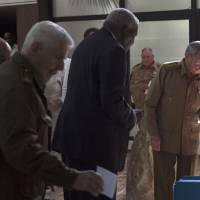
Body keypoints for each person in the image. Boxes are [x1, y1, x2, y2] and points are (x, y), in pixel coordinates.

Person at [0, 21, 104, 200]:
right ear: (36, 47)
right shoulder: (18, 87)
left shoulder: (18, 77)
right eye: (57, 57)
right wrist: (73, 178)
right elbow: (22, 148)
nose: (61, 67)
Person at [53, 8, 140, 200]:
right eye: (133, 35)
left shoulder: (85, 45)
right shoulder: (114, 50)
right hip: (98, 144)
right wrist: (131, 116)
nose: (132, 42)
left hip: (73, 140)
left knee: (75, 194)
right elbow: (112, 101)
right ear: (124, 30)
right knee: (101, 195)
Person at [144, 41, 200, 200]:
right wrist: (154, 135)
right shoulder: (167, 71)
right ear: (188, 57)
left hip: (190, 139)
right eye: (198, 61)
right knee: (163, 185)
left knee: (187, 184)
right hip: (164, 137)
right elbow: (150, 105)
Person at [127, 48, 160, 200]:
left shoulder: (160, 69)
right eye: (143, 56)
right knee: (142, 146)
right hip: (140, 112)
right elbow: (128, 88)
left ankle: (156, 179)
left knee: (154, 146)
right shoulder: (135, 70)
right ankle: (143, 179)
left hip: (156, 114)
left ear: (153, 57)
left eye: (148, 56)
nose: (146, 59)